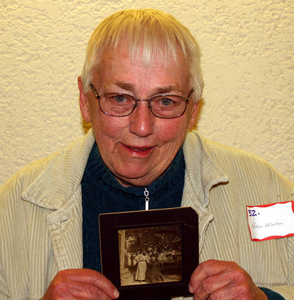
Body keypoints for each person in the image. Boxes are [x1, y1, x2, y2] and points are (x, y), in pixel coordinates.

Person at [0, 8, 293, 300]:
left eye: (165, 101)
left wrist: (268, 299)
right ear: (84, 100)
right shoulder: (13, 207)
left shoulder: (269, 190)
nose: (142, 127)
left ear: (193, 109)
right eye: (119, 98)